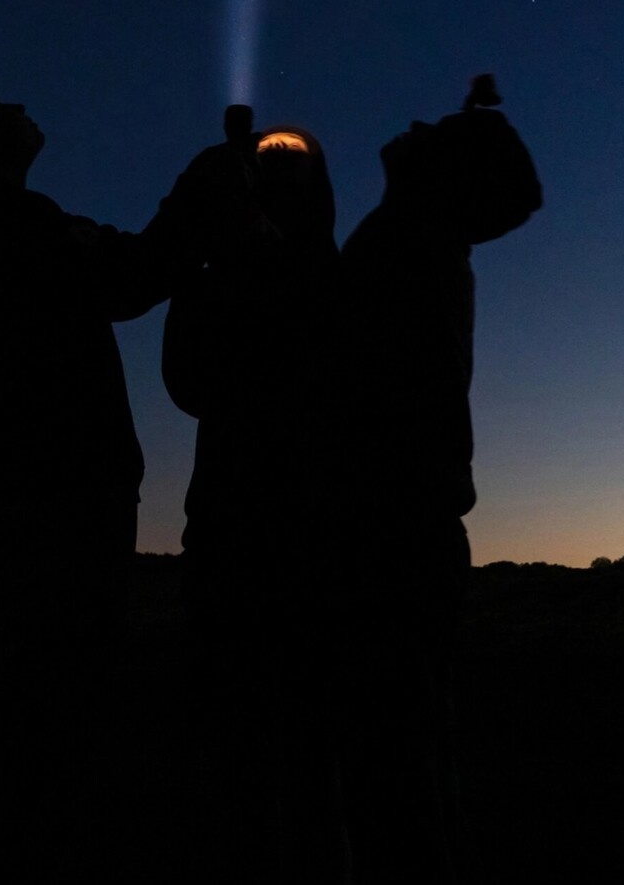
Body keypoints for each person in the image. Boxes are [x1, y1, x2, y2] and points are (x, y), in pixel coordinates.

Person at [0, 73, 247, 874]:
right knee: (57, 743)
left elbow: (131, 270)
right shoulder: (12, 225)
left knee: (39, 735)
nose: (17, 105)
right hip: (62, 526)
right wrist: (202, 191)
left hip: (38, 521)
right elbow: (133, 272)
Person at [333, 75, 542, 884]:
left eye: (433, 133)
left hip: (391, 541)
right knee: (414, 755)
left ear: (444, 179)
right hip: (407, 538)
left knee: (396, 767)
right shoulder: (418, 242)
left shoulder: (410, 246)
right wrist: (467, 121)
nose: (412, 121)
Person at [162, 118, 345, 884]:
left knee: (305, 747)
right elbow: (188, 382)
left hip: (306, 539)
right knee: (236, 744)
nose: (276, 168)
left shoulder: (329, 277)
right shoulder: (230, 270)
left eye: (290, 158)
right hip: (233, 531)